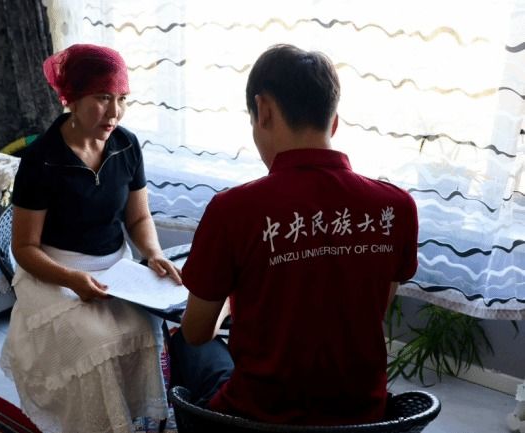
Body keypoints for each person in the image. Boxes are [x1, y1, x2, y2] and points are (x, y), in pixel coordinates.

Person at [169, 44, 419, 426]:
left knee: (182, 344)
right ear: (333, 122)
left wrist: (228, 302)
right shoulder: (397, 207)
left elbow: (197, 331)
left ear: (263, 110)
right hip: (363, 420)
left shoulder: (232, 209)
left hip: (254, 418)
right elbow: (369, 312)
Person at [0, 43, 182, 433]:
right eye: (102, 98)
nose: (114, 112)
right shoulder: (41, 159)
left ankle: (125, 414)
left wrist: (153, 253)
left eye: (122, 99)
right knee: (94, 344)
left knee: (144, 330)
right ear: (72, 99)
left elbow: (138, 217)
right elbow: (24, 248)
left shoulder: (127, 145)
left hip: (116, 268)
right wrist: (72, 279)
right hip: (56, 269)